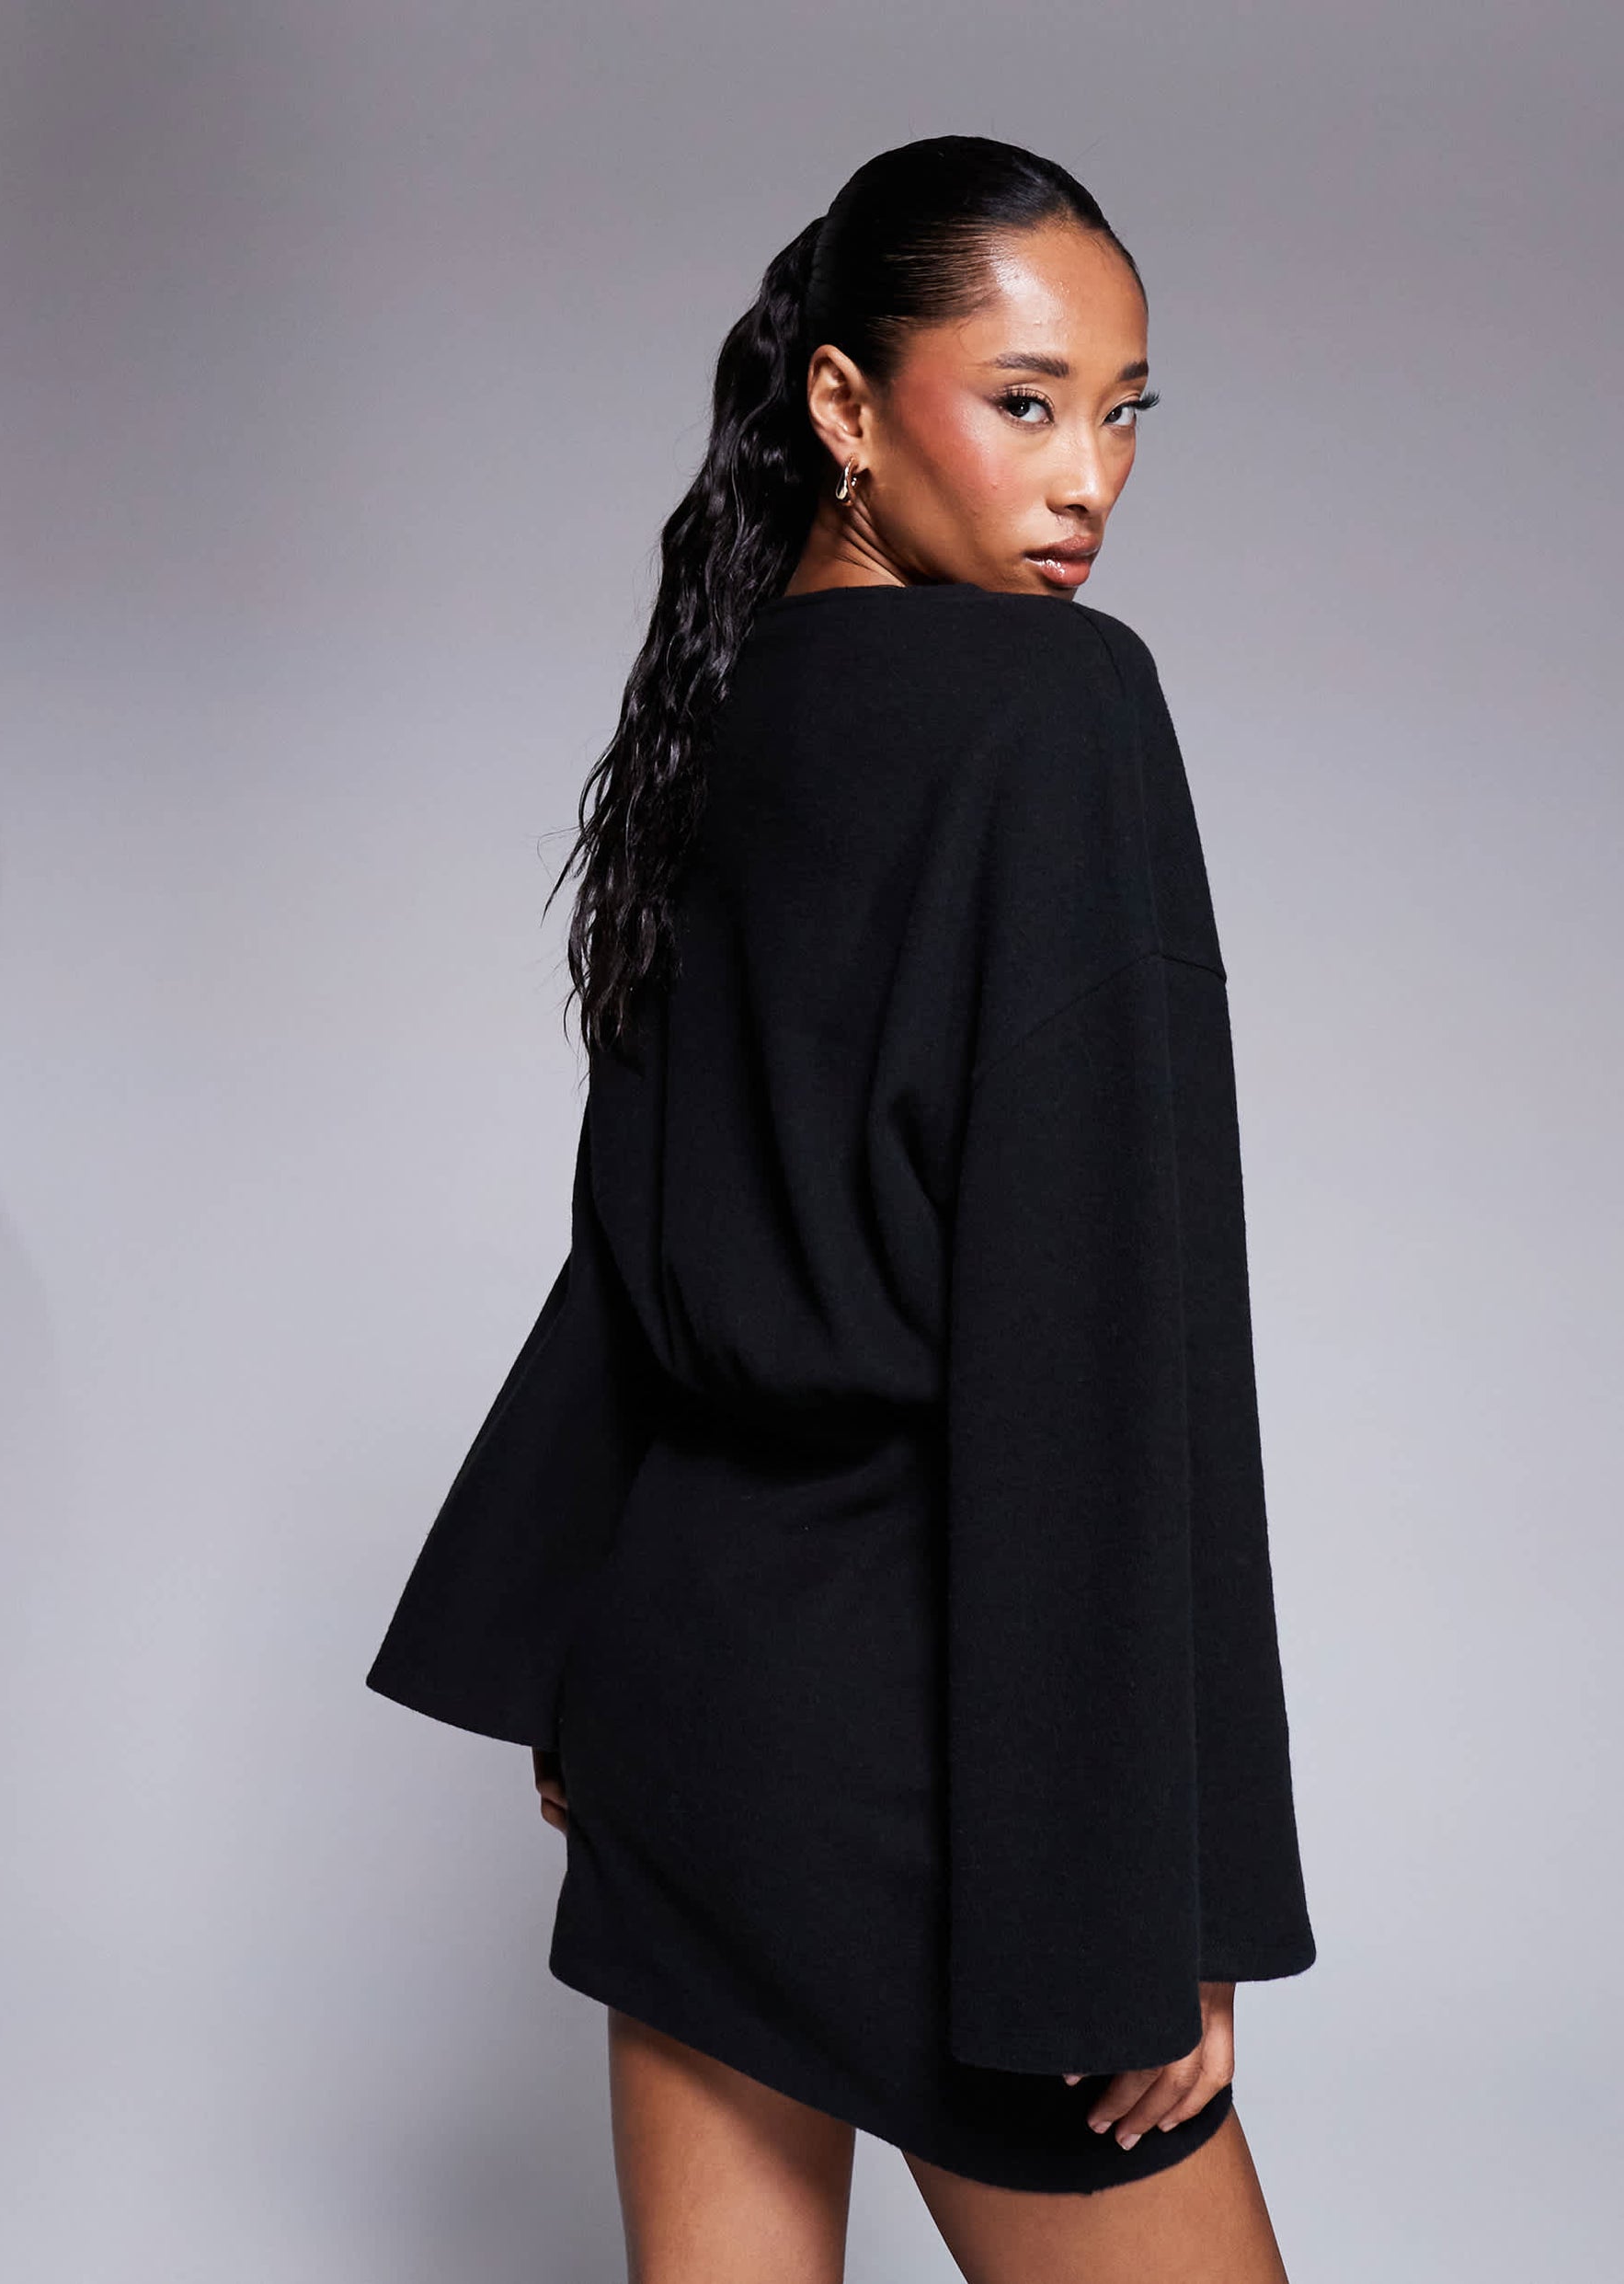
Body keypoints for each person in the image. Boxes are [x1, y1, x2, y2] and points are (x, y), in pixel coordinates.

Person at [367, 134, 1317, 2282]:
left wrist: (571, 1657)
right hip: (935, 1755)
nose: (1087, 478)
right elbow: (1102, 1335)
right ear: (842, 404)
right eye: (1025, 402)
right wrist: (1161, 1897)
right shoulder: (1060, 708)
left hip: (684, 1694)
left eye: (1123, 413)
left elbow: (643, 1239)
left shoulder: (710, 719)